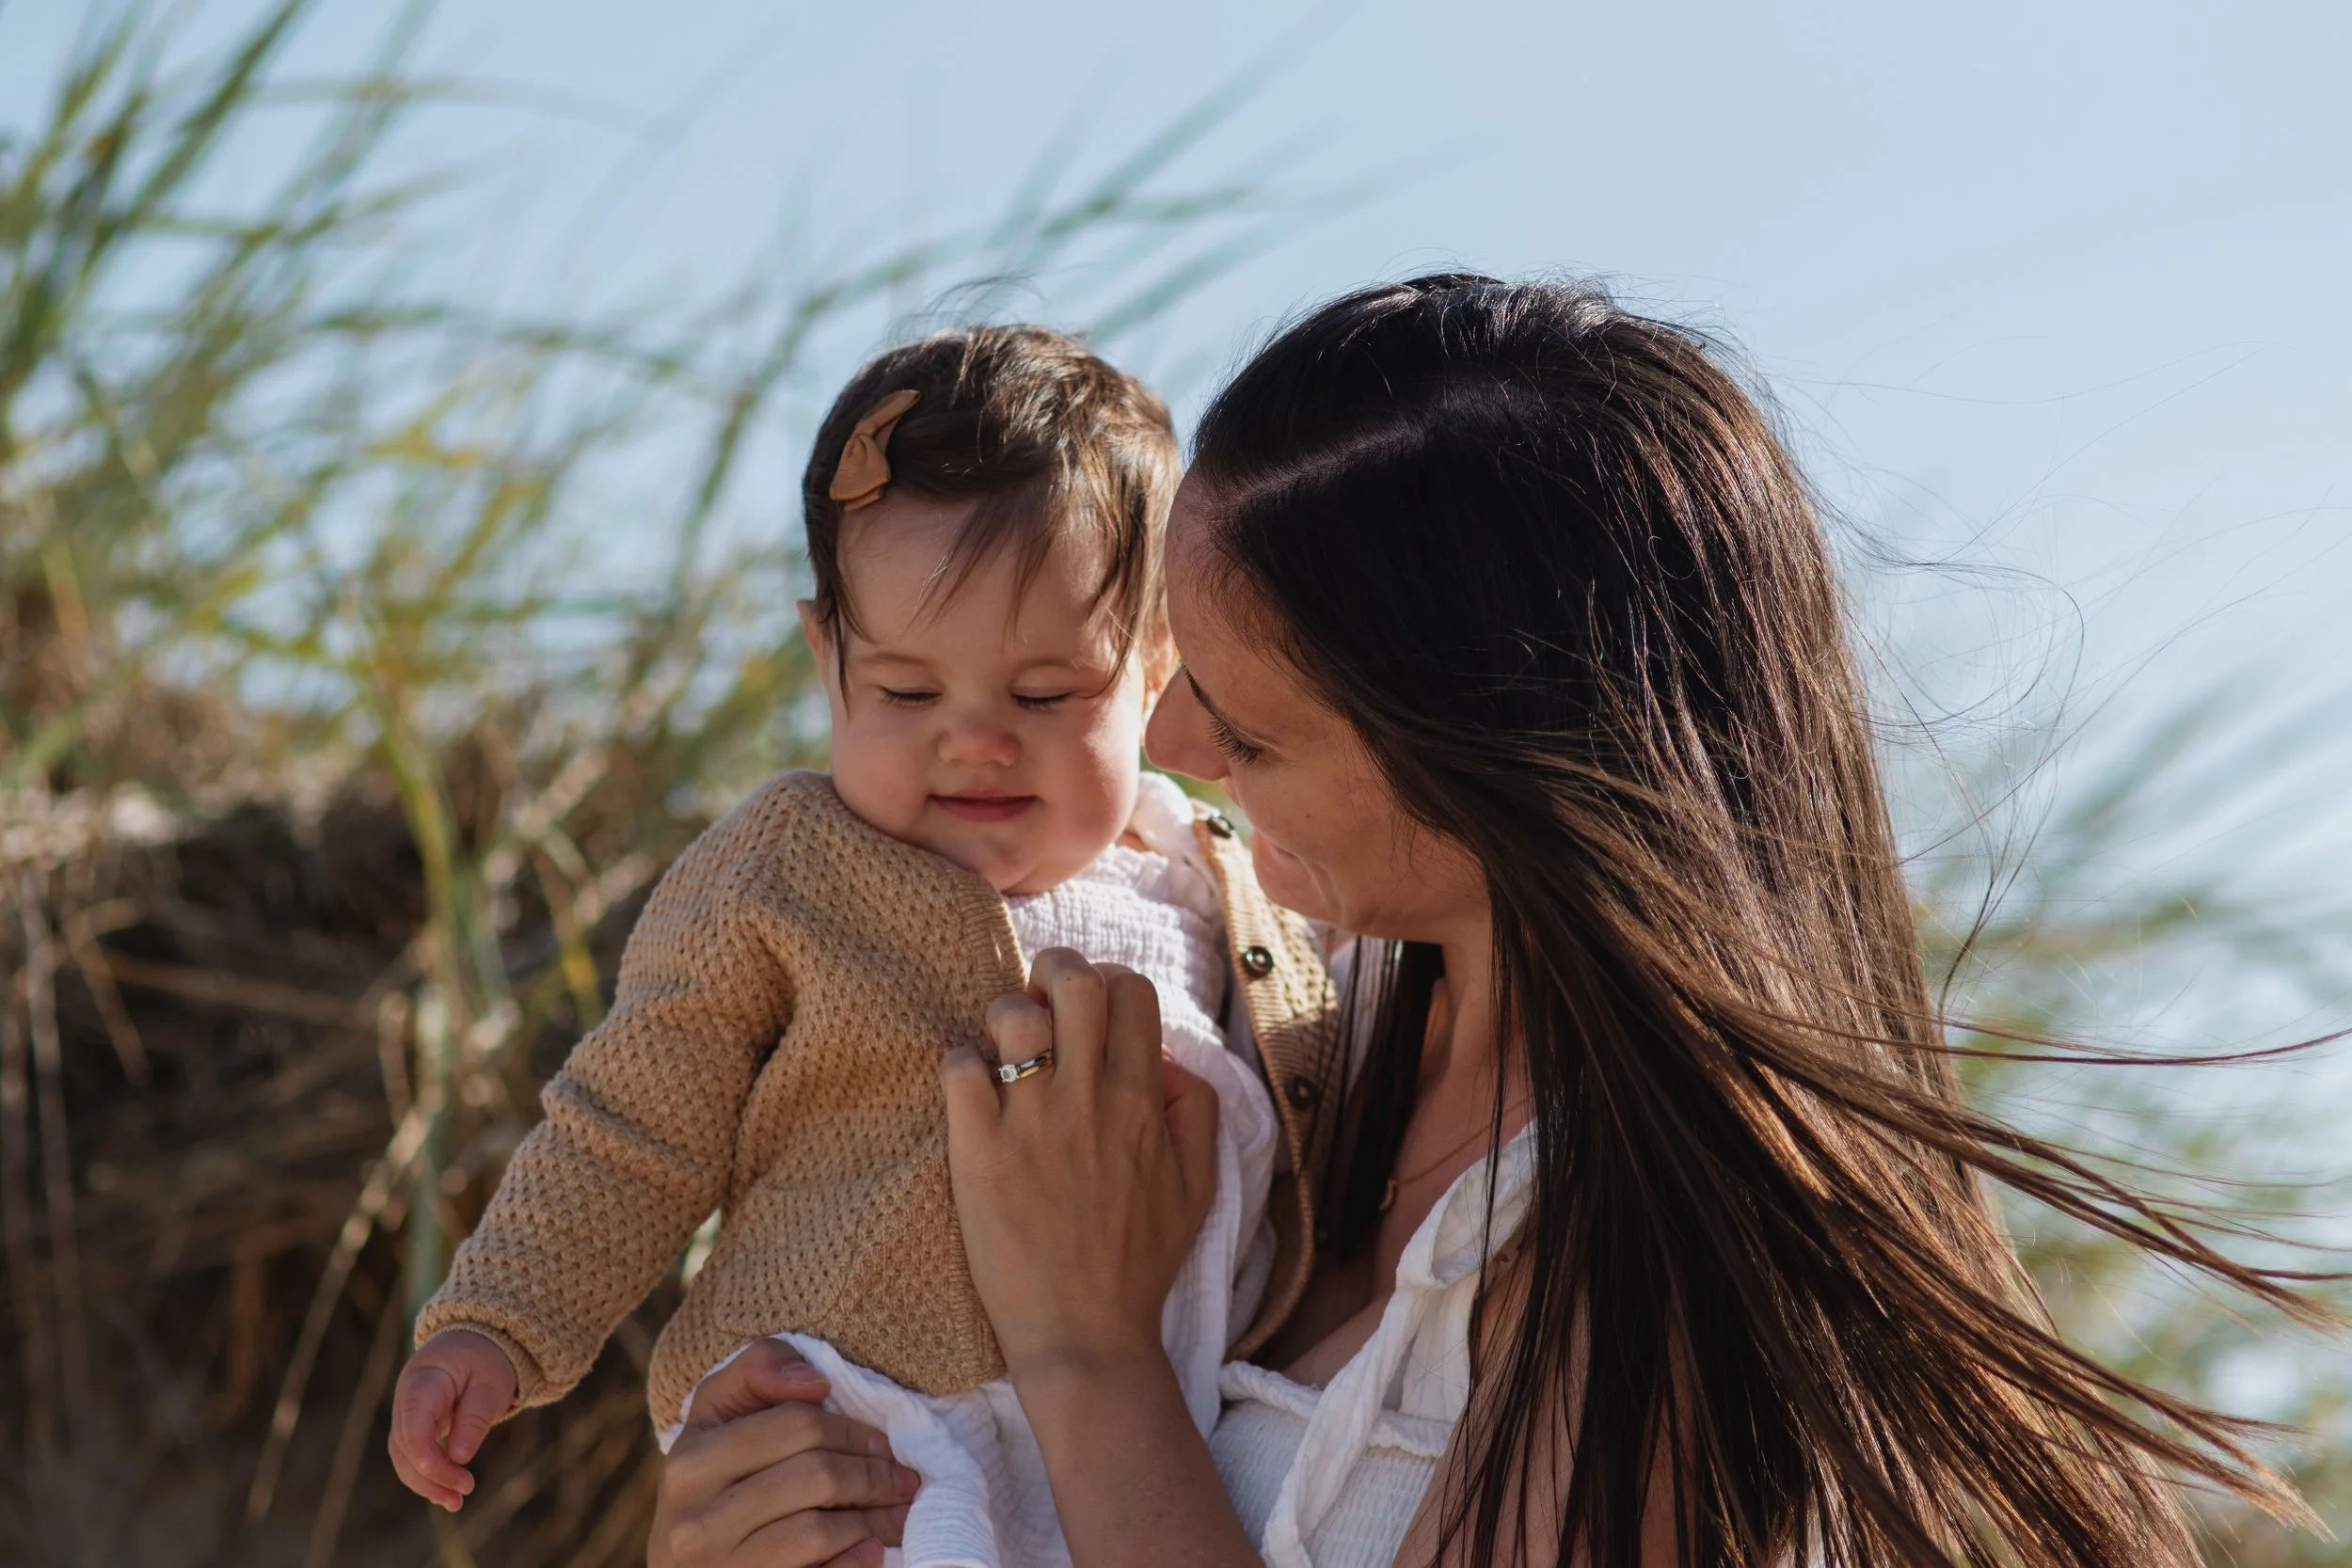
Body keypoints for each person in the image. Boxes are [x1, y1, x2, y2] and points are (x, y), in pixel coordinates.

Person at [650, 276, 2320, 1568]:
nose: (1169, 751)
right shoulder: (1304, 1053)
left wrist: (1088, 1353)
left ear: (1496, 759)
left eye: (1252, 724)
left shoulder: (1652, 1265)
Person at [385, 325, 1329, 1568]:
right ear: (828, 656)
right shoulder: (783, 872)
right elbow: (630, 1123)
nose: (976, 740)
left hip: (1151, 1433)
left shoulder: (1228, 881)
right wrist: (495, 1328)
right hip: (858, 1419)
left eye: (1046, 695)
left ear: (1157, 669)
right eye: (906, 692)